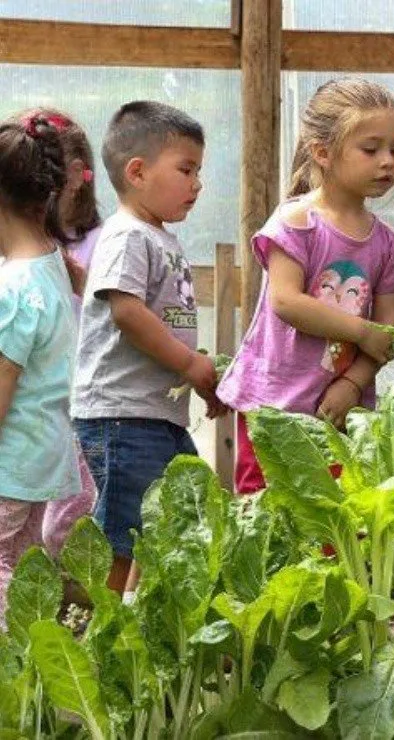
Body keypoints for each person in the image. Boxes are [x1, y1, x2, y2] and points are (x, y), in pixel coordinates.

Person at [217, 77, 394, 494]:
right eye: (371, 148)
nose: (388, 161)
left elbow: (387, 333)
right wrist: (360, 331)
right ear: (323, 153)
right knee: (267, 520)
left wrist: (352, 384)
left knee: (333, 534)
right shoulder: (297, 223)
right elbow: (286, 301)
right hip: (273, 408)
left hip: (339, 413)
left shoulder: (386, 243)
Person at [72, 101, 225, 598]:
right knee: (126, 532)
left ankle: (136, 623)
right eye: (185, 169)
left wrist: (200, 381)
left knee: (171, 518)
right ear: (137, 172)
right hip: (120, 415)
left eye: (198, 171)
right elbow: (128, 313)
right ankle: (108, 632)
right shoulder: (126, 236)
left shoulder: (160, 238)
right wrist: (191, 363)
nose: (196, 183)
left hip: (155, 414)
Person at [0, 114, 83, 625]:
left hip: (10, 461)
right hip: (45, 457)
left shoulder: (12, 290)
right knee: (25, 565)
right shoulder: (55, 265)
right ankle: (32, 670)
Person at [9, 108, 102, 558]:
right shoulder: (50, 266)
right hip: (43, 446)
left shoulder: (20, 282)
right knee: (24, 560)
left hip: (19, 453)